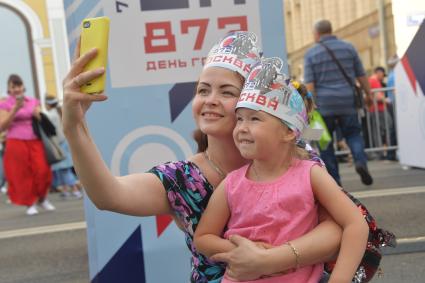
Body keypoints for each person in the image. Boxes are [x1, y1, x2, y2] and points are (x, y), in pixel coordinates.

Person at [62, 31, 343, 282]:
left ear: (252, 101)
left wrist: (270, 260)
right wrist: (74, 126)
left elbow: (339, 228)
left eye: (226, 92)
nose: (210, 99)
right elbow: (108, 195)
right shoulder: (183, 179)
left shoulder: (295, 157)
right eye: (203, 90)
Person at [194, 58, 369, 283]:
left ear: (289, 132)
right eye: (239, 119)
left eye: (254, 119)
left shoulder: (310, 174)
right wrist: (242, 251)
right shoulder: (232, 183)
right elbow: (203, 237)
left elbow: (355, 224)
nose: (242, 128)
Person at [304, 19, 373, 186]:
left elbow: (310, 85)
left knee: (325, 143)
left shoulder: (311, 54)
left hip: (323, 107)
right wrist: (368, 94)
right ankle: (360, 162)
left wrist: (309, 108)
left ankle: (335, 182)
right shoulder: (348, 48)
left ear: (317, 34)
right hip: (347, 102)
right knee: (353, 134)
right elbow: (361, 75)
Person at [0, 74, 54, 215]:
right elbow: (2, 126)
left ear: (23, 86)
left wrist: (39, 115)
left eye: (19, 85)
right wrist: (15, 109)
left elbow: (42, 120)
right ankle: (29, 203)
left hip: (35, 140)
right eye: (13, 86)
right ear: (9, 89)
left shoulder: (33, 101)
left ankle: (42, 199)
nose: (17, 89)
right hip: (15, 141)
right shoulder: (5, 104)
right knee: (22, 174)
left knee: (43, 170)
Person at [44, 96, 83, 199]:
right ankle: (66, 190)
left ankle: (75, 190)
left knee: (64, 170)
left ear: (48, 104)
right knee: (63, 169)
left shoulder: (50, 115)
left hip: (58, 144)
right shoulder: (60, 111)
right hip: (65, 142)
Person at [368, 67, 394, 159]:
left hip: (375, 109)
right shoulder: (374, 81)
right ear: (378, 73)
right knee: (386, 128)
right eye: (382, 74)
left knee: (378, 131)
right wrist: (387, 100)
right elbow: (378, 96)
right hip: (379, 109)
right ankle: (383, 153)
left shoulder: (371, 80)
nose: (383, 77)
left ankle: (381, 152)